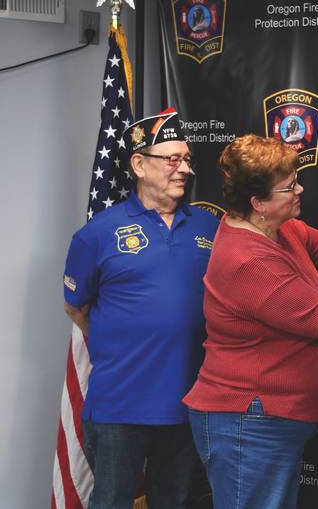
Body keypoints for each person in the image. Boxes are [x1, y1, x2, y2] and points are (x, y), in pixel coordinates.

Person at [182, 135, 318, 509]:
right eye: (289, 186)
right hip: (246, 421)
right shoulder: (248, 260)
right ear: (258, 203)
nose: (300, 189)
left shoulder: (275, 228)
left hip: (265, 419)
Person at [62, 107, 219, 508]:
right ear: (138, 164)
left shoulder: (208, 227)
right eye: (171, 159)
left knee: (174, 500)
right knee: (112, 501)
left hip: (186, 405)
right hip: (119, 406)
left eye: (186, 159)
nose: (183, 168)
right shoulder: (98, 233)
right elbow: (76, 308)